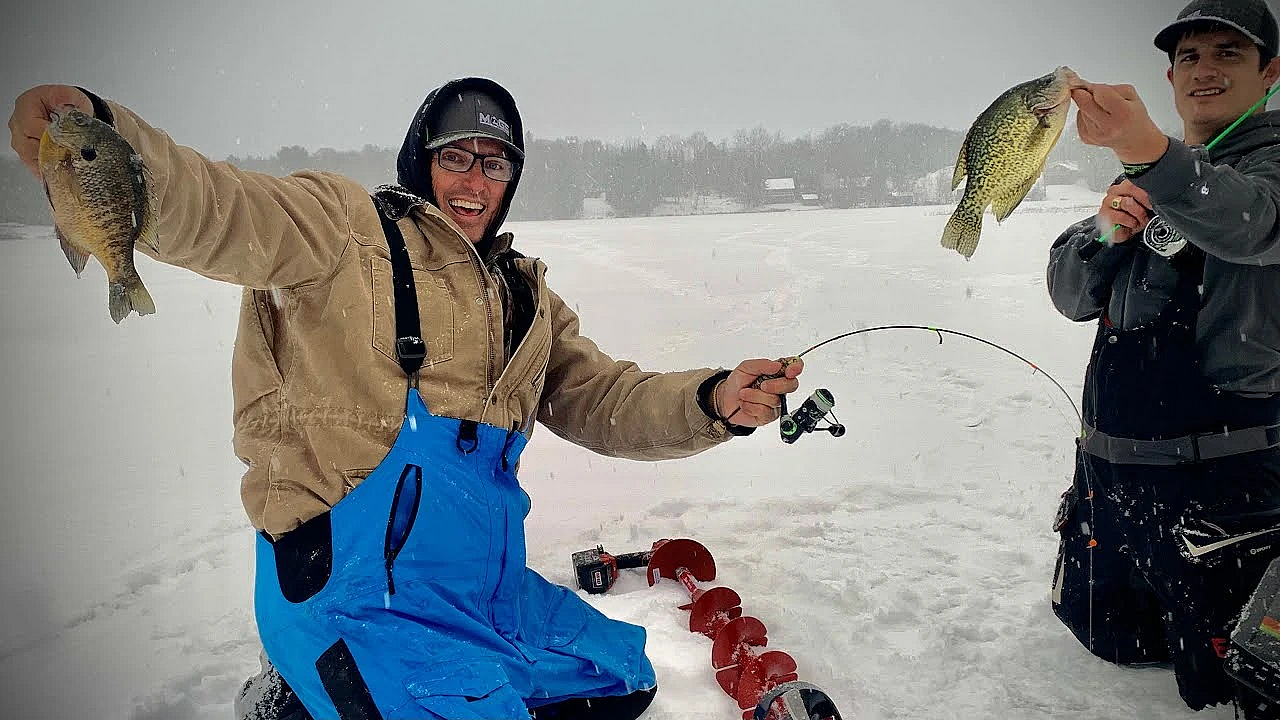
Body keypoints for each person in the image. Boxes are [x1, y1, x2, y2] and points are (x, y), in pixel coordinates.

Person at [8, 77, 803, 720]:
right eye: (458, 155)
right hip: (352, 591)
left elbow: (606, 398)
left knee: (618, 679)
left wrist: (713, 401)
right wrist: (103, 132)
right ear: (421, 159)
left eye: (496, 164)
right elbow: (221, 207)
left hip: (476, 594)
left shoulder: (523, 298)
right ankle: (295, 693)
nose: (476, 180)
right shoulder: (343, 231)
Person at [1045, 0, 1280, 715]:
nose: (1203, 69)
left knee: (1235, 686)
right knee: (1113, 647)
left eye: (1227, 54)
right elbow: (1069, 293)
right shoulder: (1157, 173)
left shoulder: (1251, 170)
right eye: (1188, 56)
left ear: (1271, 72)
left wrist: (1152, 156)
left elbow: (1253, 222)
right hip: (1112, 485)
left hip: (1226, 494)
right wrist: (1104, 236)